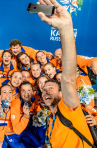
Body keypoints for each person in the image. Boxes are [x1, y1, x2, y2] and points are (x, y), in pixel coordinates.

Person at [38, 0, 93, 147]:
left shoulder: (69, 107)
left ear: (63, 94)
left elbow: (68, 79)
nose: (45, 91)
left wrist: (66, 29)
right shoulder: (51, 119)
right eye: (44, 89)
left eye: (50, 88)